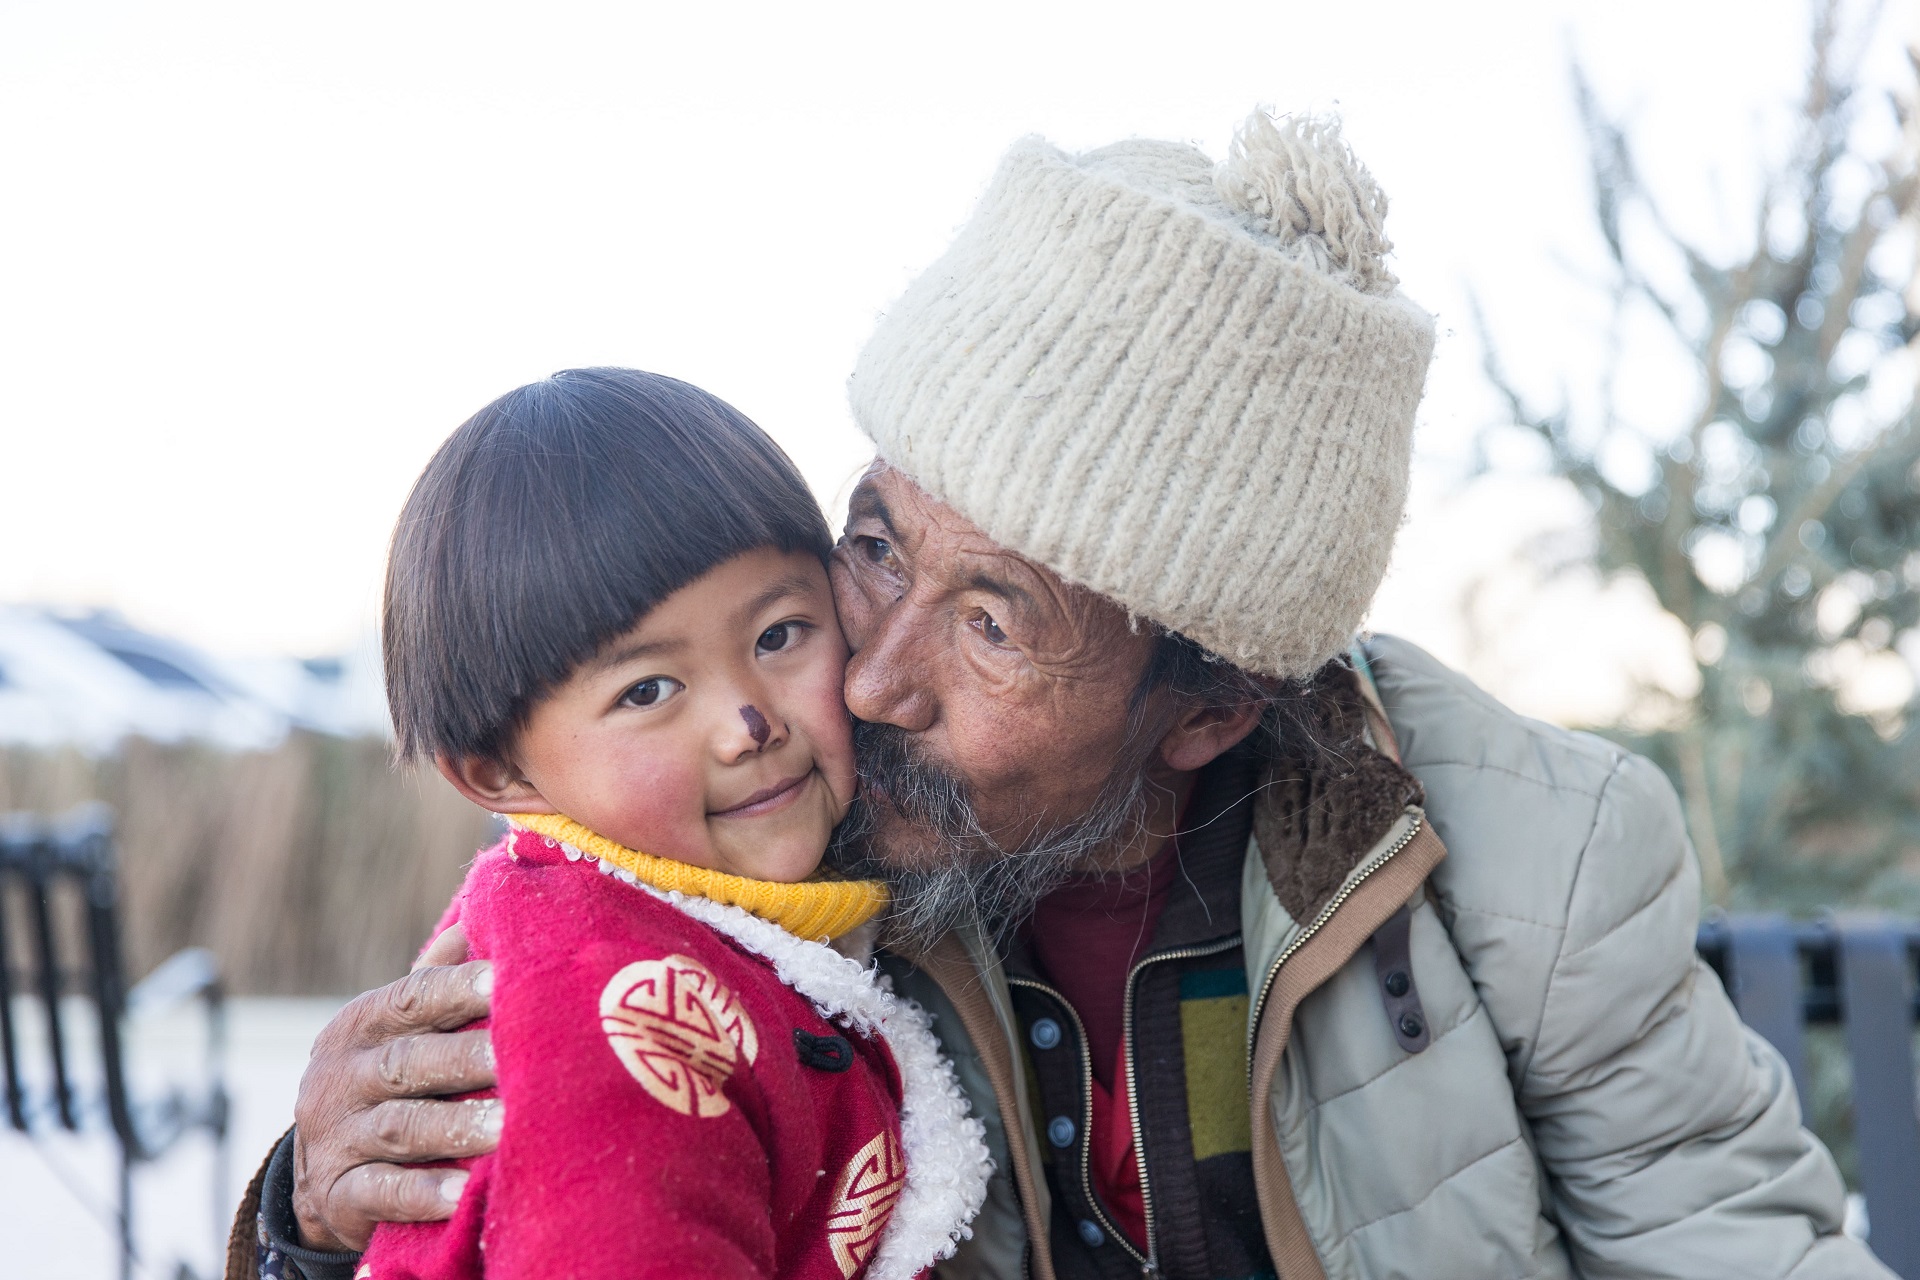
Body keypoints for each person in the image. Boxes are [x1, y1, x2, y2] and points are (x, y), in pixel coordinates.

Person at [233, 113, 1892, 1279]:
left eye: (995, 626)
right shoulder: (750, 862)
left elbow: (1732, 1242)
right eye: (874, 544)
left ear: (1209, 706)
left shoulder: (1540, 860)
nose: (866, 680)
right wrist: (309, 1222)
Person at [305, 368, 990, 1280]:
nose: (750, 725)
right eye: (649, 690)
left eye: (780, 635)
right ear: (499, 771)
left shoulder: (776, 904)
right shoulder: (603, 1008)